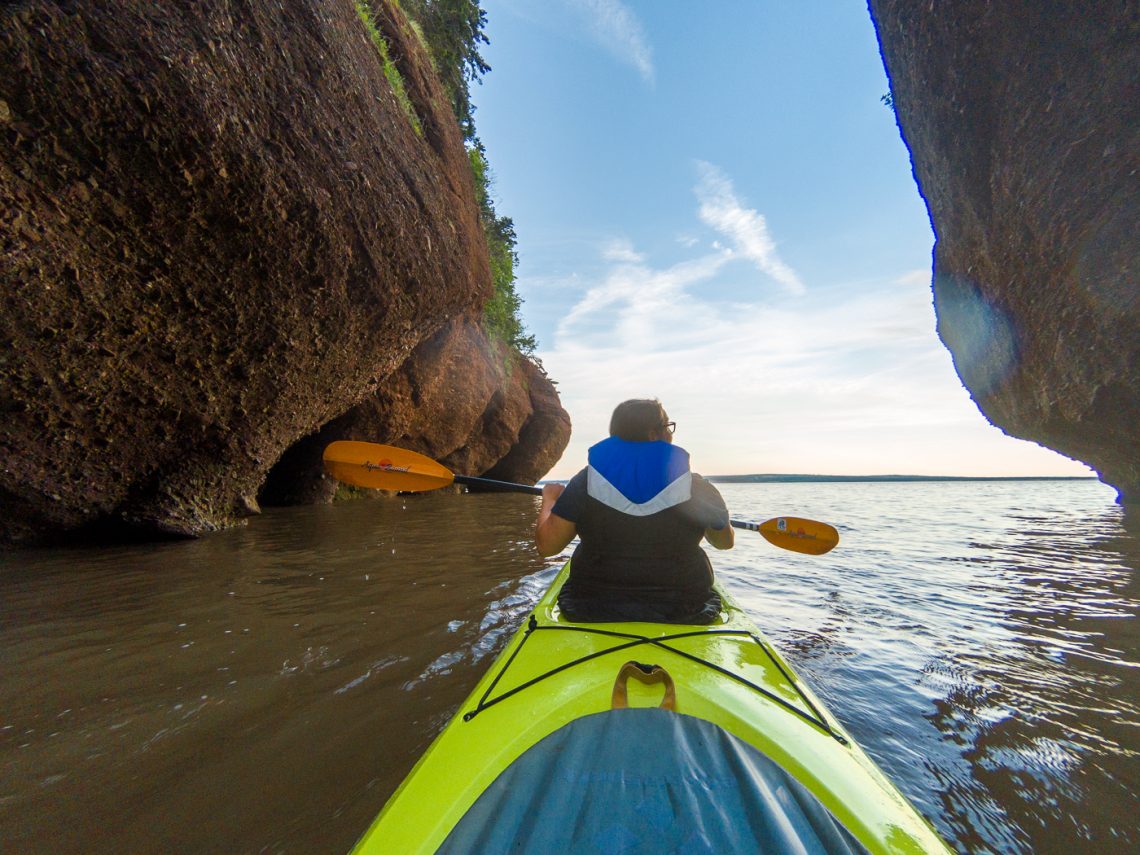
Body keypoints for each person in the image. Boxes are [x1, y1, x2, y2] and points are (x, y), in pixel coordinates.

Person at [535, 399, 734, 624]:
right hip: (686, 607)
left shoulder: (586, 482)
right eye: (668, 427)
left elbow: (547, 546)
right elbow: (724, 542)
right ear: (653, 434)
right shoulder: (696, 486)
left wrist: (549, 500)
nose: (671, 434)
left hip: (592, 605)